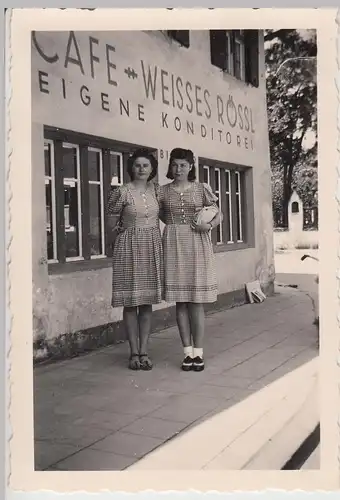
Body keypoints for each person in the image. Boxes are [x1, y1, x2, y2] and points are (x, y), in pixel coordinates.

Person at [158, 148, 221, 372]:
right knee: (181, 301)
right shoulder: (162, 191)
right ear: (170, 166)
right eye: (175, 165)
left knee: (196, 301)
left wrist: (209, 225)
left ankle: (199, 353)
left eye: (183, 165)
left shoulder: (201, 188)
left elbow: (218, 213)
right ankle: (187, 352)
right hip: (174, 243)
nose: (178, 169)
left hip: (198, 242)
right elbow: (160, 215)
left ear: (191, 166)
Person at [107, 149, 163, 371]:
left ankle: (144, 351)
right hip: (128, 247)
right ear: (131, 168)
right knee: (131, 302)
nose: (141, 169)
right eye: (137, 165)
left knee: (146, 301)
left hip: (151, 246)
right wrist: (122, 236)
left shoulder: (157, 191)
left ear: (152, 170)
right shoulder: (122, 192)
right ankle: (133, 353)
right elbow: (111, 223)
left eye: (146, 165)